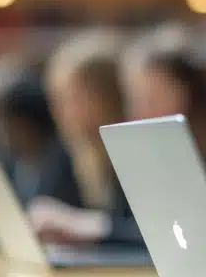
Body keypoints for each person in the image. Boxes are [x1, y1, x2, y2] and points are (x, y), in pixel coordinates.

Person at [119, 39, 206, 216]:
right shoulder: (143, 156)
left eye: (152, 100)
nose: (141, 112)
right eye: (135, 101)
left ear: (185, 94)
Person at [27, 29, 142, 246]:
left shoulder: (137, 152)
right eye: (58, 99)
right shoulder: (69, 149)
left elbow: (149, 233)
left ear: (110, 97)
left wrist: (90, 226)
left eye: (74, 98)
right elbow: (45, 203)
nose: (61, 111)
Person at [0, 70, 83, 207]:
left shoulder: (65, 162)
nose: (4, 133)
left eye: (9, 125)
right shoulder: (11, 163)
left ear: (30, 123)